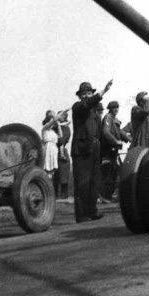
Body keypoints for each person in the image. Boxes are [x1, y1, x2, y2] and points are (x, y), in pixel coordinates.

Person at [70, 80, 111, 222]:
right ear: (79, 96)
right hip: (81, 150)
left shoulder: (94, 113)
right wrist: (102, 92)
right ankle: (81, 215)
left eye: (89, 93)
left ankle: (92, 211)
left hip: (94, 150)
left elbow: (100, 134)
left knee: (94, 182)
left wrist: (104, 153)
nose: (86, 95)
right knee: (82, 183)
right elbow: (86, 104)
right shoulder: (78, 107)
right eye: (83, 93)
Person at [100, 100, 128, 201]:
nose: (116, 109)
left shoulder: (114, 119)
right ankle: (104, 195)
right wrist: (116, 141)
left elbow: (119, 131)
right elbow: (106, 133)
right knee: (108, 172)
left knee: (113, 172)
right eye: (114, 107)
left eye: (117, 107)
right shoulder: (108, 117)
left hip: (113, 150)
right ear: (110, 108)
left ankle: (107, 195)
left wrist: (127, 138)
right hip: (107, 150)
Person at [55, 110, 72, 199]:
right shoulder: (54, 127)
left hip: (61, 151)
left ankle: (64, 194)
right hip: (54, 151)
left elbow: (62, 140)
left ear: (64, 117)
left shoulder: (66, 129)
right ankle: (55, 194)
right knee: (55, 174)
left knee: (63, 173)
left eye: (60, 116)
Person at [41, 111, 59, 182]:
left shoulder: (53, 131)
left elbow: (60, 135)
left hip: (54, 148)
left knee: (52, 171)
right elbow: (53, 120)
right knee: (47, 168)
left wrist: (58, 124)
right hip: (48, 148)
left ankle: (49, 185)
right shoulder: (44, 128)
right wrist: (55, 117)